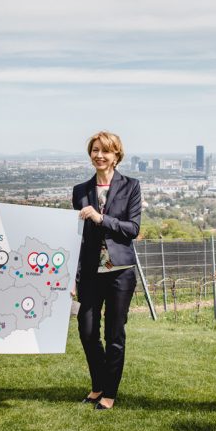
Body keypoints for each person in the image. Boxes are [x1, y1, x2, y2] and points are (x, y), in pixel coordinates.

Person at [73, 131, 142, 411]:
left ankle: (109, 392)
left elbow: (132, 229)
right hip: (90, 272)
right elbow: (77, 236)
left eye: (106, 151)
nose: (99, 155)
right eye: (95, 150)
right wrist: (73, 276)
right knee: (87, 330)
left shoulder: (131, 186)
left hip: (120, 272)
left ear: (116, 156)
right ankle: (99, 383)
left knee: (115, 333)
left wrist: (102, 218)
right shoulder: (80, 190)